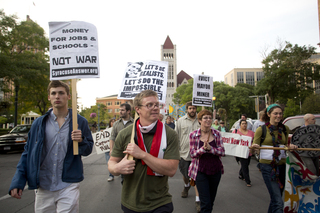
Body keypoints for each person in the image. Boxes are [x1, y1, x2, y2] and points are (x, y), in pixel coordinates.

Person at [8, 80, 93, 213]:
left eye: (61, 93)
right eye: (53, 93)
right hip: (43, 185)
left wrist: (81, 140)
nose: (57, 96)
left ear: (68, 96)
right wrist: (18, 181)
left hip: (68, 184)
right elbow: (28, 153)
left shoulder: (80, 121)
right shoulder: (38, 123)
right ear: (49, 97)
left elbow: (88, 150)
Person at [108, 90, 180, 213]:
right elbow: (112, 163)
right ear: (138, 109)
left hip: (160, 203)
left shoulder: (170, 134)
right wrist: (117, 168)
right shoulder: (125, 134)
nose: (155, 108)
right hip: (130, 203)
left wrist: (142, 154)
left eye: (157, 104)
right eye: (149, 105)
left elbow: (171, 170)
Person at [252, 104, 297, 213]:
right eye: (275, 113)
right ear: (268, 114)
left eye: (280, 113)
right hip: (267, 167)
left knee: (276, 198)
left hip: (281, 166)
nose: (278, 115)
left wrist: (290, 147)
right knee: (278, 201)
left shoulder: (285, 129)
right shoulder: (261, 129)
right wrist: (255, 147)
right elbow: (253, 148)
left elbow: (286, 146)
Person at [188, 109, 225, 213]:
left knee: (211, 201)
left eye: (210, 118)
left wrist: (211, 149)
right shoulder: (193, 135)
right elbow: (192, 154)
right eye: (205, 118)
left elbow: (222, 152)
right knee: (205, 204)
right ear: (199, 120)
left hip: (215, 170)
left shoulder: (217, 134)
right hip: (200, 171)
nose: (208, 120)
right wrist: (202, 149)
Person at [175, 101, 201, 212]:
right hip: (184, 154)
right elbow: (176, 137)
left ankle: (198, 200)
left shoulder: (201, 121)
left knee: (197, 177)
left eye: (194, 108)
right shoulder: (180, 121)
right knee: (186, 175)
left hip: (199, 154)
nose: (192, 110)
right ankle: (186, 186)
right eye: (190, 108)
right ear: (187, 109)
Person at [232, 120, 254, 187]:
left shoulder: (251, 132)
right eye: (243, 124)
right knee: (245, 166)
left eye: (245, 124)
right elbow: (232, 140)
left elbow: (253, 140)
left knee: (246, 164)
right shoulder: (236, 132)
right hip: (240, 152)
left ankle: (241, 174)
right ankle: (248, 181)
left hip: (248, 152)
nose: (244, 125)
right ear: (240, 125)